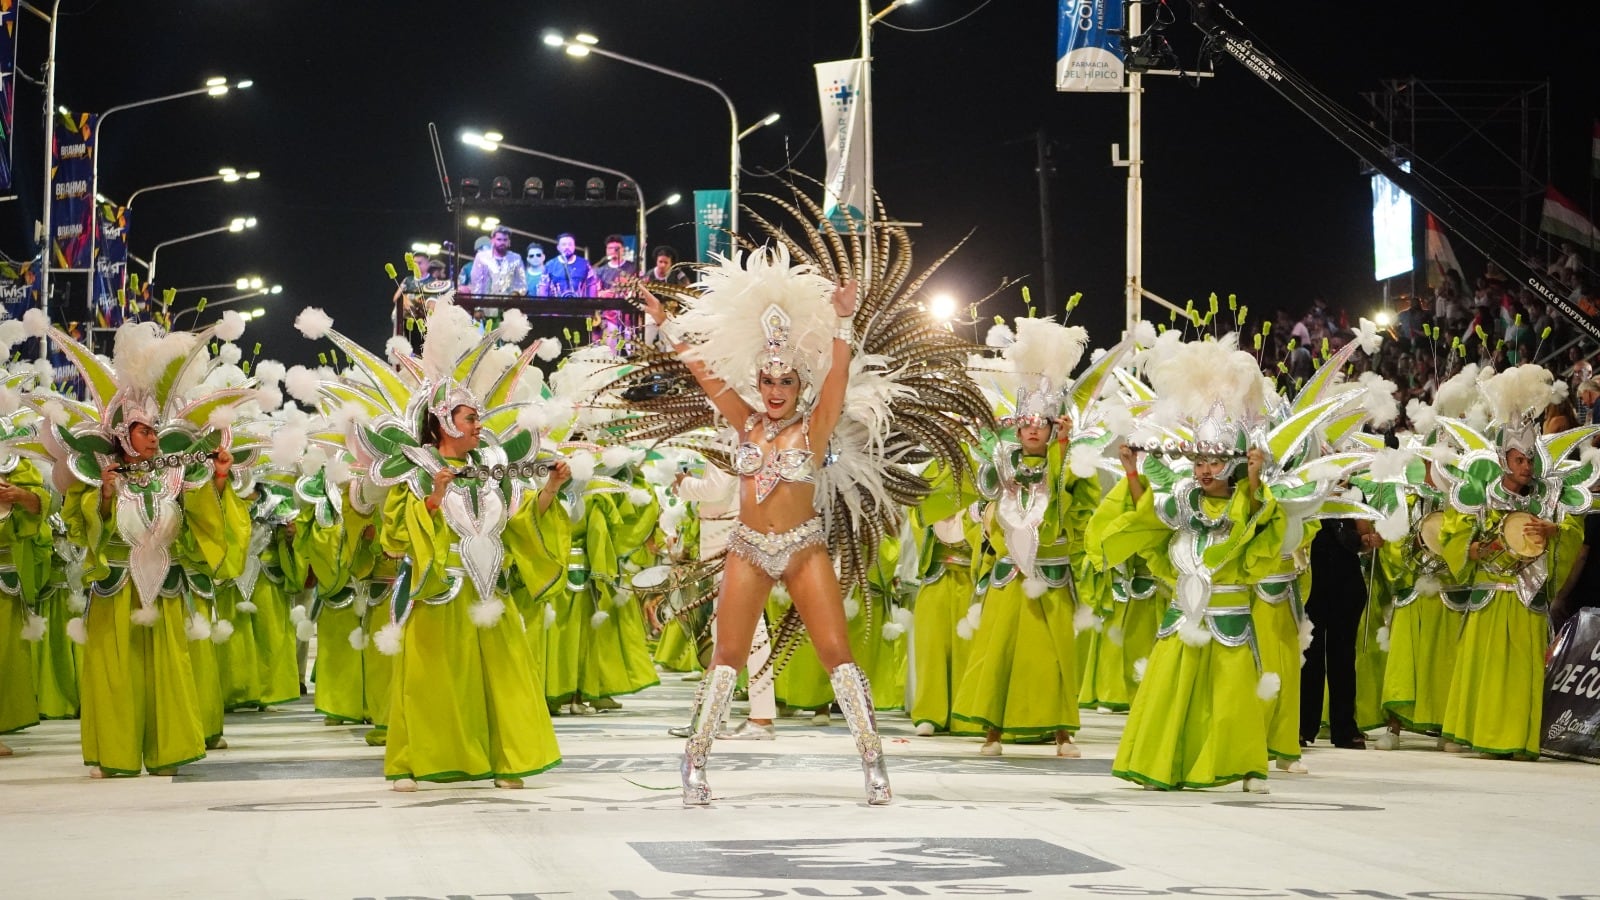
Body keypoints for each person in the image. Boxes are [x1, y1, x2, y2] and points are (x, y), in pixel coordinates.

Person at [637, 263, 893, 807]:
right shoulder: (746, 423)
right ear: (757, 383)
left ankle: (872, 761)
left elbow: (840, 379)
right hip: (748, 550)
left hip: (803, 546)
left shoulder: (814, 426)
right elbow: (706, 376)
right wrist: (667, 326)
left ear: (801, 385)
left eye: (786, 381)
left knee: (836, 653)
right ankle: (695, 762)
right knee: (726, 656)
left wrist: (843, 322)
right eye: (768, 381)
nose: (775, 390)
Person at [468, 226, 528, 297]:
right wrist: (478, 303)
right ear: (492, 240)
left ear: (509, 241)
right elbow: (476, 283)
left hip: (508, 304)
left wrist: (516, 294)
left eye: (505, 240)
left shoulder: (516, 258)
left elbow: (522, 283)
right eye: (499, 239)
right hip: (485, 304)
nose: (502, 242)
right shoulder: (481, 257)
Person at [539, 233, 599, 299]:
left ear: (574, 246)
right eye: (564, 244)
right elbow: (543, 288)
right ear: (558, 247)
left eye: (570, 244)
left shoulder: (584, 264)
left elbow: (591, 286)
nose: (567, 247)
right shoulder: (550, 265)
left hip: (579, 307)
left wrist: (591, 305)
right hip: (556, 307)